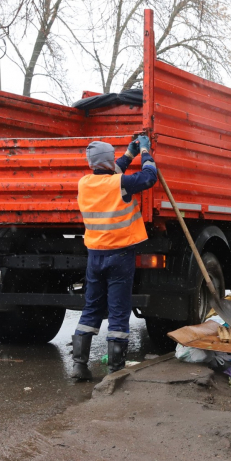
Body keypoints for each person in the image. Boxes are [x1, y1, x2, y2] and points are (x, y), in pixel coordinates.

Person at [71, 136, 158, 380]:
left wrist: (128, 156)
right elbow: (149, 177)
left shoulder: (85, 183)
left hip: (95, 256)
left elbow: (110, 174)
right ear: (109, 161)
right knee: (119, 311)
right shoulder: (120, 183)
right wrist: (144, 152)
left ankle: (79, 365)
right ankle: (115, 369)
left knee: (91, 309)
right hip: (119, 255)